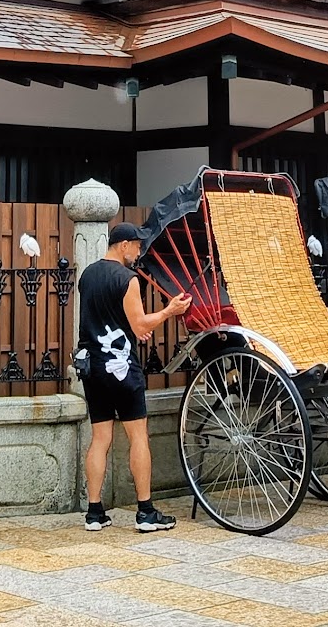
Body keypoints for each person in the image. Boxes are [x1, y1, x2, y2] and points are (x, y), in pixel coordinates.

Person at [76, 221, 189, 532]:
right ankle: (145, 512)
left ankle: (95, 512)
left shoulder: (88, 275)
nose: (139, 252)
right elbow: (140, 325)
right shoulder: (128, 279)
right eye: (137, 246)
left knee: (100, 438)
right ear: (123, 245)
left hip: (93, 367)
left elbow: (106, 319)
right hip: (122, 368)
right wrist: (169, 311)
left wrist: (132, 329)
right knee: (138, 436)